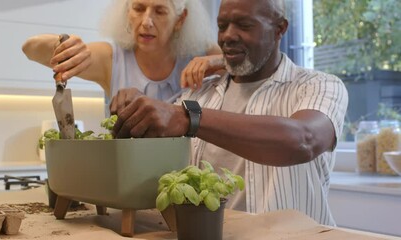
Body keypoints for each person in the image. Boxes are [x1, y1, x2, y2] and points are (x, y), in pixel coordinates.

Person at [109, 0, 348, 226]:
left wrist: (188, 118)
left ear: (279, 29)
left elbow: (303, 140)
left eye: (244, 26)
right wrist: (137, 111)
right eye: (222, 26)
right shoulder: (197, 95)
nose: (228, 36)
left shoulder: (319, 85)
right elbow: (157, 158)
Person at [22, 0, 223, 107]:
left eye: (159, 11)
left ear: (180, 19)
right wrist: (62, 43)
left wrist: (219, 60)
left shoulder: (201, 54)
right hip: (127, 179)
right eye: (138, 8)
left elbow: (247, 71)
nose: (146, 21)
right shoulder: (111, 59)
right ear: (128, 12)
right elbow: (31, 48)